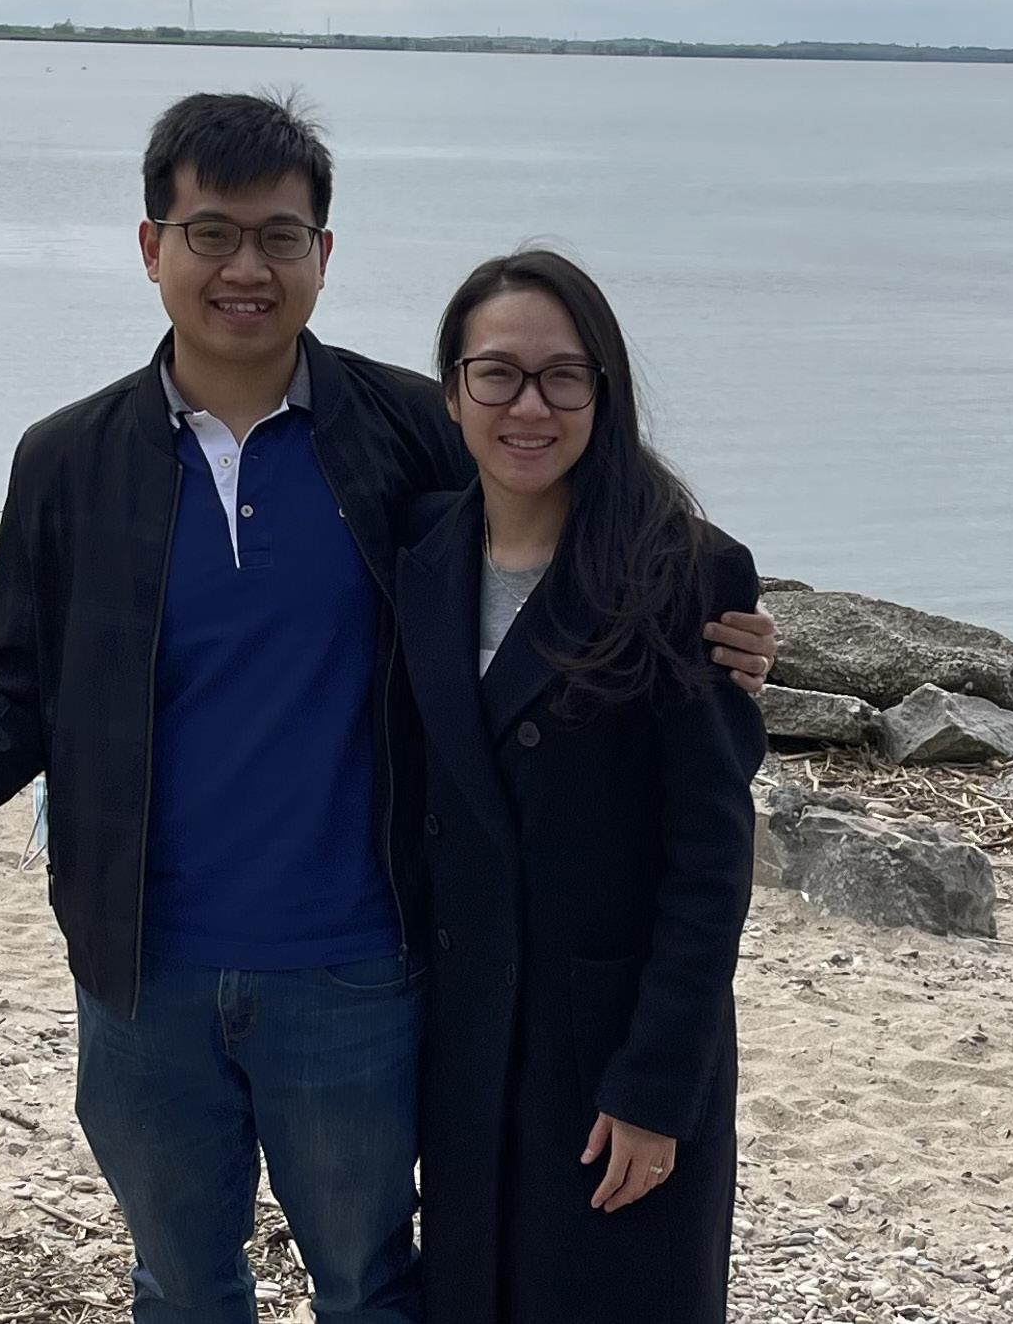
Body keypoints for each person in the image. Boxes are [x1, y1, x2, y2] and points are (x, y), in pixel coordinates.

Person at [0, 95, 777, 1324]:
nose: (246, 268)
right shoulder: (69, 460)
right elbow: (21, 699)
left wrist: (713, 638)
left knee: (372, 1288)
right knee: (180, 1286)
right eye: (212, 233)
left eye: (280, 237)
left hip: (357, 969)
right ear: (151, 246)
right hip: (140, 974)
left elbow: (554, 538)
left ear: (324, 255)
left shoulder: (406, 431)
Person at [396, 250, 766, 1324]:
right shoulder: (416, 547)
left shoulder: (683, 571)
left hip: (610, 1046)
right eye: (497, 374)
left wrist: (658, 1086)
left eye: (564, 376)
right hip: (461, 1034)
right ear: (453, 390)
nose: (530, 406)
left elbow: (710, 859)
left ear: (604, 393)